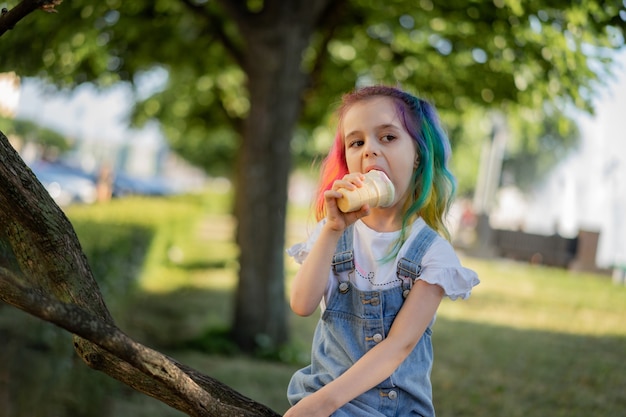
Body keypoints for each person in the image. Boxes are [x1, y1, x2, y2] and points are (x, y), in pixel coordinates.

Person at [284, 85, 480, 417]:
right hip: (324, 395)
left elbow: (397, 347)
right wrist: (332, 230)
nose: (369, 151)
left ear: (418, 153)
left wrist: (322, 405)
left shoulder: (433, 254)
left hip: (391, 410)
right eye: (356, 142)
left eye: (387, 137)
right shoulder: (334, 232)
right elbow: (302, 304)